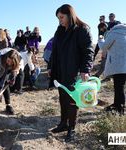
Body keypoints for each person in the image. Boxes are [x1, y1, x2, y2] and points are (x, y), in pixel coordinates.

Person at [49, 4, 94, 142]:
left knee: (72, 100)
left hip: (74, 71)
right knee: (62, 97)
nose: (60, 20)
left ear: (70, 15)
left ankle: (72, 128)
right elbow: (55, 50)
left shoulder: (82, 29)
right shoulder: (60, 30)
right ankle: (63, 123)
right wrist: (51, 66)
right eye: (58, 18)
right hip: (60, 70)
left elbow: (88, 51)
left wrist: (85, 69)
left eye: (62, 17)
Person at [98, 24, 126, 115]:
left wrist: (101, 39)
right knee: (120, 87)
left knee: (119, 87)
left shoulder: (114, 33)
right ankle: (117, 104)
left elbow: (104, 47)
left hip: (118, 66)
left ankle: (120, 109)